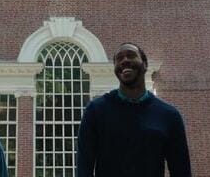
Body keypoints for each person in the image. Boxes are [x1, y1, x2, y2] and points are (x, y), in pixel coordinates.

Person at [76, 42, 192, 177]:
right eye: (119, 59)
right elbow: (84, 167)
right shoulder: (96, 111)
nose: (124, 60)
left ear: (145, 64)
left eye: (131, 55)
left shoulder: (169, 116)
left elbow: (181, 170)